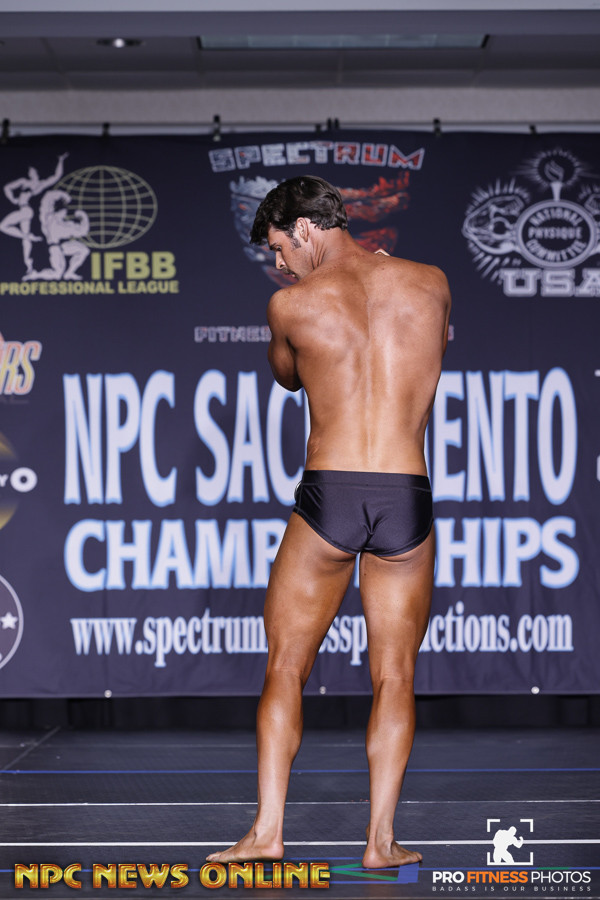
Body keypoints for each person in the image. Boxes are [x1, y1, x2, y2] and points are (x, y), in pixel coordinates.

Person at [207, 175, 451, 870]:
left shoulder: (292, 304)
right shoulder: (431, 283)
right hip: (407, 494)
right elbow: (427, 353)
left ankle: (267, 833)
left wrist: (306, 315)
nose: (280, 263)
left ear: (306, 228)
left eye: (280, 247)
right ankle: (381, 841)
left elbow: (288, 377)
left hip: (330, 494)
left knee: (285, 666)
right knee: (395, 675)